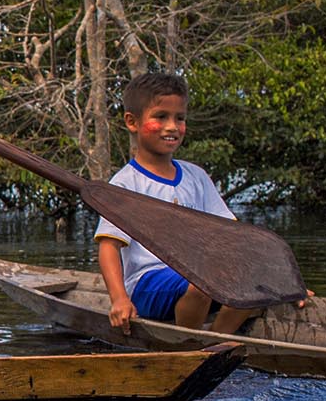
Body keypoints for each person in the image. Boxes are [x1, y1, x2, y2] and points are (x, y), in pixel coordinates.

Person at [95, 70, 279, 333]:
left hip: (199, 278)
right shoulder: (125, 184)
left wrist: (279, 284)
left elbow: (233, 235)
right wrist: (120, 299)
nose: (172, 127)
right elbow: (109, 248)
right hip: (147, 285)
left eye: (179, 118)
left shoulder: (196, 176)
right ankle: (188, 346)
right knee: (200, 283)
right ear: (132, 122)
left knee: (252, 282)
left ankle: (214, 343)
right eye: (161, 117)